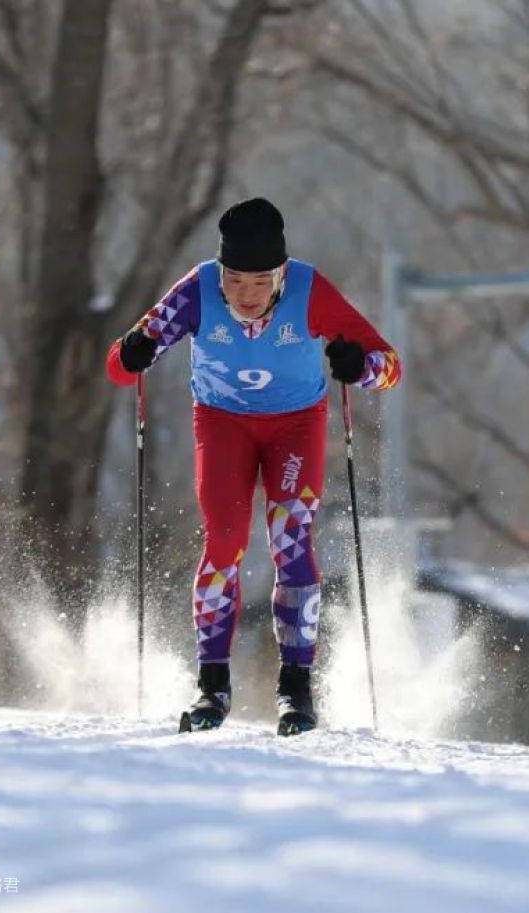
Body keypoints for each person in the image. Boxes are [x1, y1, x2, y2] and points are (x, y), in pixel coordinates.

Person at [105, 197, 400, 735]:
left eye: (259, 283)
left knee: (292, 543)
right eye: (234, 281)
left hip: (295, 427)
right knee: (223, 541)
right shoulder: (196, 289)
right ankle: (212, 686)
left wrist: (358, 366)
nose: (245, 295)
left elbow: (389, 368)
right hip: (222, 425)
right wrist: (133, 353)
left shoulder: (312, 291)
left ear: (281, 275)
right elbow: (121, 366)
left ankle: (296, 691)